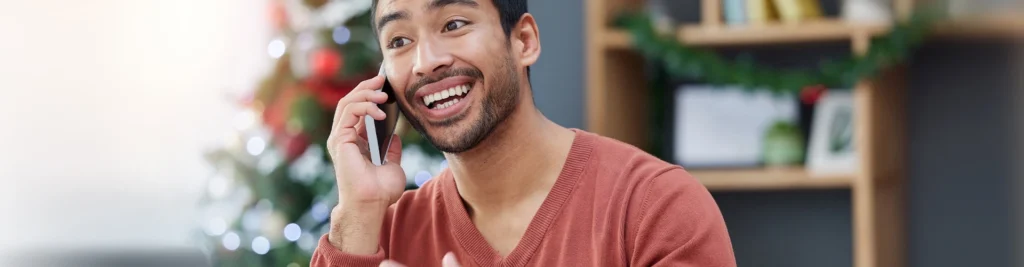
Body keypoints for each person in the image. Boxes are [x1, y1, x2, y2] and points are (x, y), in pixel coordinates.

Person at [312, 0, 736, 266]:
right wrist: (359, 211)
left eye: (455, 23)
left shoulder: (655, 207)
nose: (426, 62)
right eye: (399, 40)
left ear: (524, 40)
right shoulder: (377, 233)